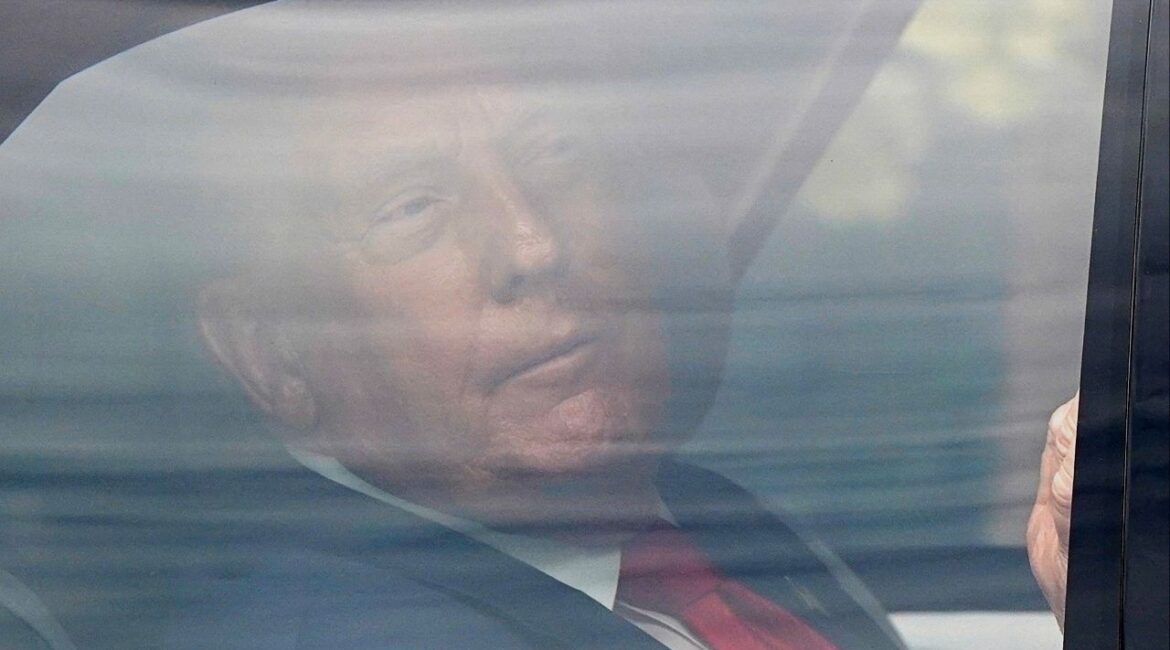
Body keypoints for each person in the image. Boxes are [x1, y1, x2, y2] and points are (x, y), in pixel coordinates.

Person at [0, 2, 1078, 648]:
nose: (531, 242)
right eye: (413, 207)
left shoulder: (688, 520)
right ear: (271, 351)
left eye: (558, 157)